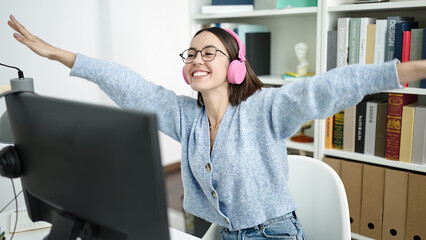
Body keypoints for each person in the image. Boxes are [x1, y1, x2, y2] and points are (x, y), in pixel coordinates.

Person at [7, 14, 426, 240]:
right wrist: (57, 54)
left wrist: (409, 69)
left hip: (274, 235)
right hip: (225, 234)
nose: (197, 60)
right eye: (192, 53)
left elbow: (328, 88)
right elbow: (128, 85)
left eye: (211, 52)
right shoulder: (185, 118)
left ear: (236, 67)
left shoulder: (266, 110)